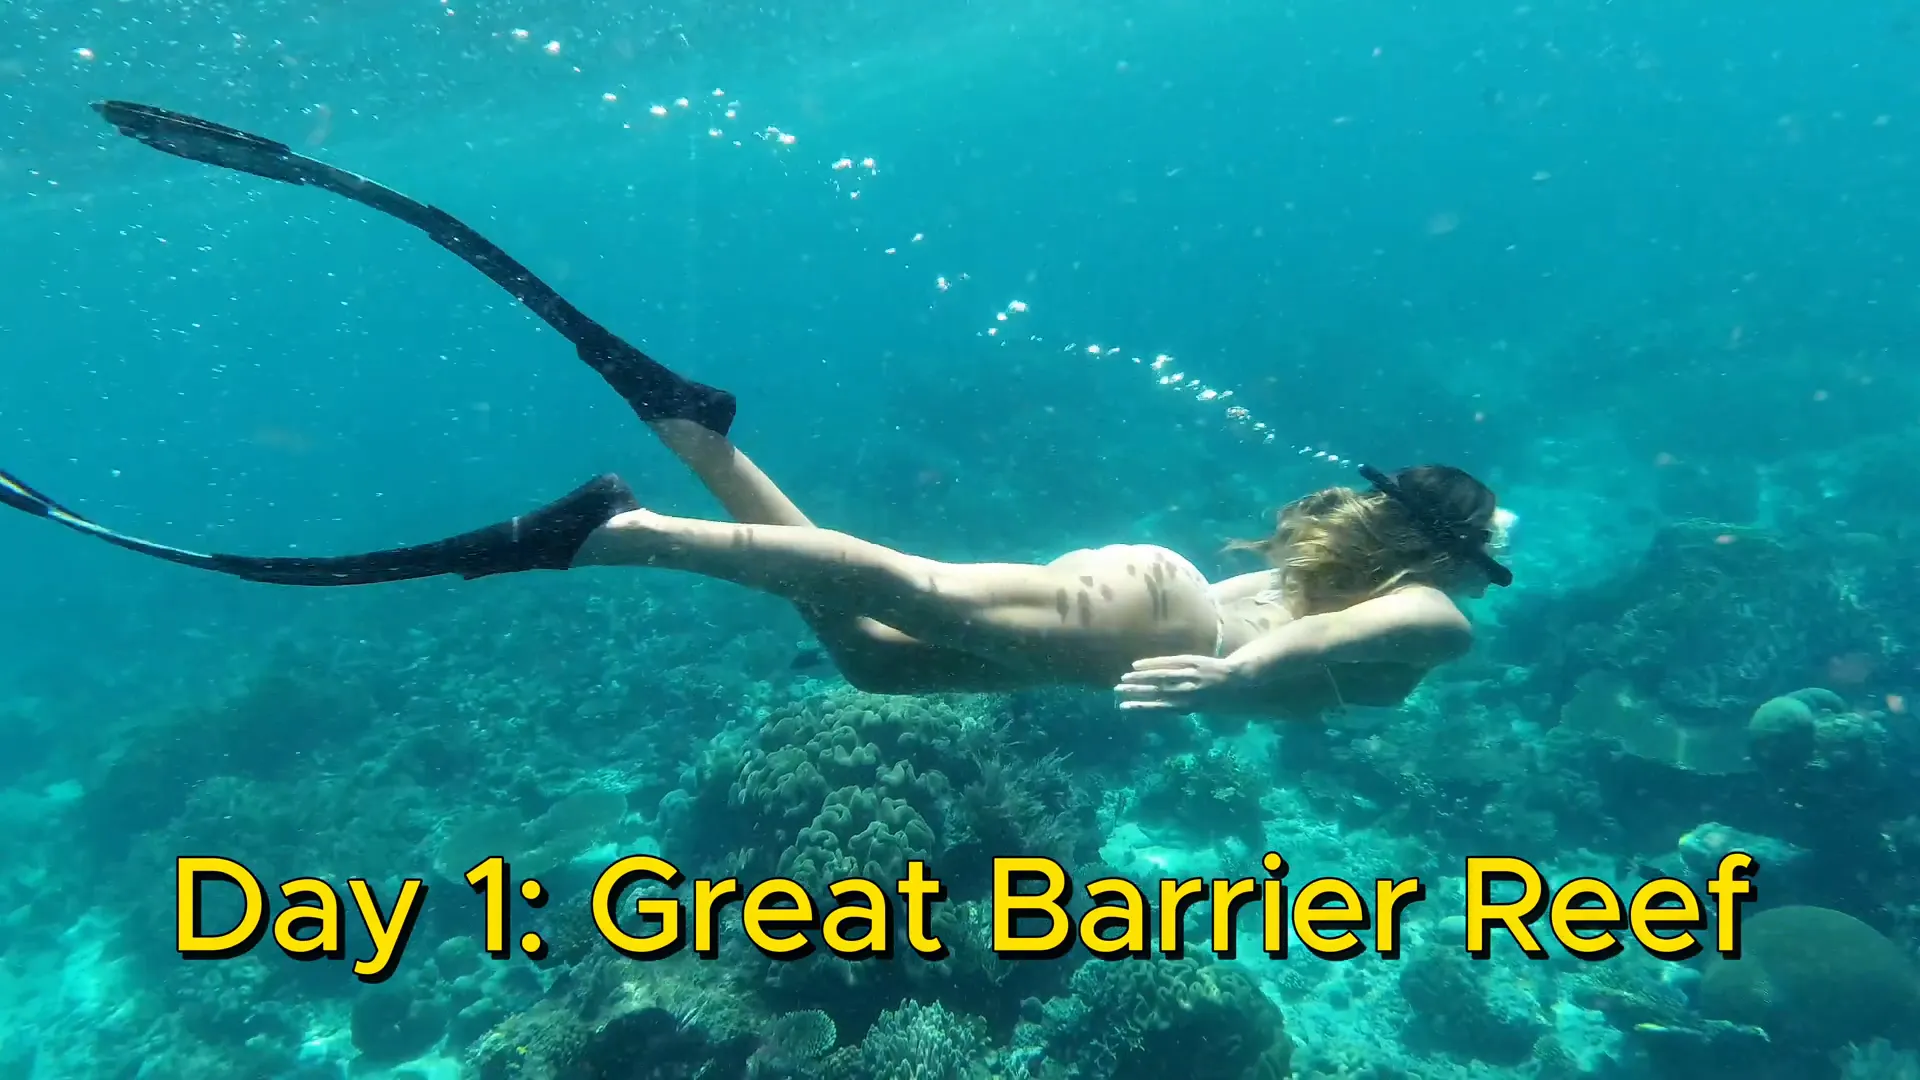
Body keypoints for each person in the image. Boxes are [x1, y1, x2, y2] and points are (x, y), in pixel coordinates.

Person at [4, 102, 1513, 719]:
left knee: (873, 662)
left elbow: (1317, 622)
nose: (1489, 560)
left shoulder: (1377, 571)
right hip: (1154, 633)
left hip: (1148, 620)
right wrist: (1232, 692)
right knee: (909, 586)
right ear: (1446, 555)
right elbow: (1330, 646)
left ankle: (692, 433)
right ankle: (612, 535)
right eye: (1485, 544)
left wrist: (1231, 677)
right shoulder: (1440, 619)